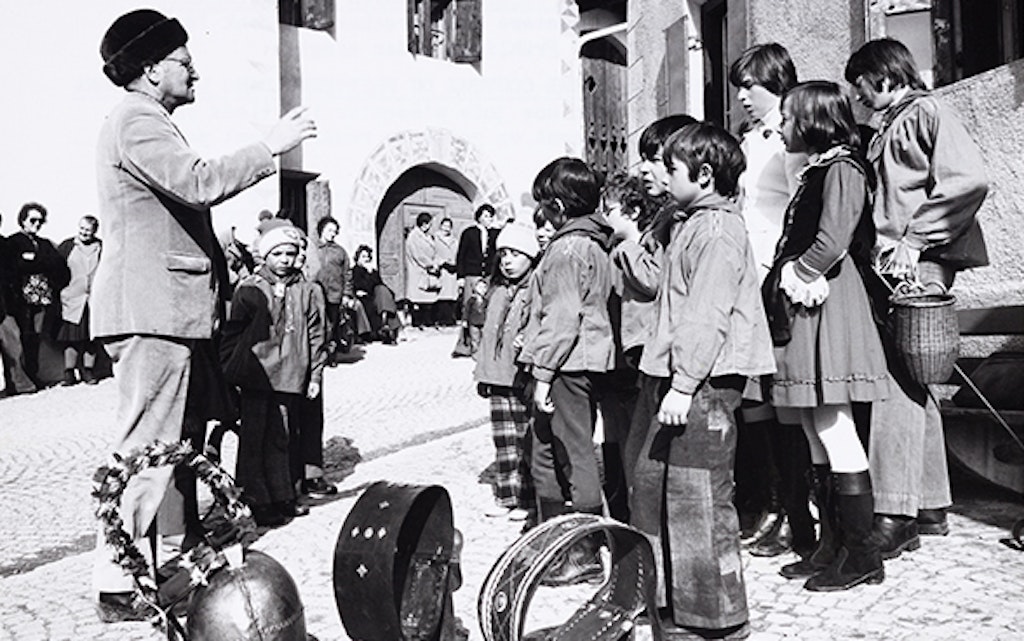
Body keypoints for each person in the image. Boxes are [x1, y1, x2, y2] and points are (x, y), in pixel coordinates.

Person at [91, 8, 316, 621]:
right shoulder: (138, 119)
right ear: (148, 69)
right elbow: (197, 182)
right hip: (152, 311)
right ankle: (118, 580)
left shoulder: (146, 120)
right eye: (184, 62)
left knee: (169, 446)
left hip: (167, 310)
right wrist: (269, 148)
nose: (195, 70)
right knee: (149, 443)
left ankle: (157, 562)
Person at [845, 37, 989, 556]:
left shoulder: (925, 111)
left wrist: (913, 239)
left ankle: (894, 511)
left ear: (882, 75)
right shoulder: (891, 122)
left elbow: (969, 180)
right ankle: (930, 503)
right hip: (897, 264)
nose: (858, 97)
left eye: (860, 85)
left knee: (896, 382)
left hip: (918, 262)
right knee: (914, 376)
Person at [629, 122, 774, 638]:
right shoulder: (691, 222)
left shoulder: (716, 232)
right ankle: (670, 606)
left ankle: (716, 622)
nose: (662, 178)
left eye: (671, 169)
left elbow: (706, 315)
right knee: (653, 489)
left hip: (704, 382)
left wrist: (685, 384)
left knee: (699, 501)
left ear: (705, 175)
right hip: (678, 377)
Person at [765, 81, 890, 591]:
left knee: (835, 422)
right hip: (811, 300)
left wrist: (803, 271)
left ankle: (862, 554)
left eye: (790, 117)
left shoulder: (842, 168)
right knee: (817, 423)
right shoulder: (819, 168)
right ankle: (832, 544)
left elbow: (834, 238)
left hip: (828, 299)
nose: (781, 126)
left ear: (814, 120)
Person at [728, 43, 814, 560]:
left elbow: (802, 211)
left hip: (778, 283)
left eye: (749, 86)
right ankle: (764, 502)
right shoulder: (751, 140)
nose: (740, 95)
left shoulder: (792, 141)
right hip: (747, 280)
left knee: (785, 400)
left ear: (776, 83)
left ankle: (795, 511)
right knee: (754, 398)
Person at [519, 157, 615, 586]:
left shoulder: (565, 249)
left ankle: (585, 555)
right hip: (579, 362)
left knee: (574, 456)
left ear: (557, 205)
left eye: (544, 204)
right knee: (547, 452)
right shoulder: (595, 243)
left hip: (565, 367)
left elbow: (561, 319)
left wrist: (542, 375)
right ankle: (555, 544)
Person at [219, 224, 327, 526]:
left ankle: (282, 494)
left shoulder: (306, 291)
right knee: (254, 438)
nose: (284, 259)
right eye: (277, 254)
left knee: (281, 438)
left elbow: (317, 335)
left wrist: (315, 375)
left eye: (291, 254)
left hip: (290, 375)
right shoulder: (251, 289)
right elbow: (232, 332)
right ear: (265, 256)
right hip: (256, 375)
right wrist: (230, 369)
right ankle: (255, 499)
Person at [614, 114, 695, 502]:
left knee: (650, 455)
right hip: (649, 350)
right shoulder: (664, 216)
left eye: (655, 159)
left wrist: (629, 243)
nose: (643, 168)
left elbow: (657, 280)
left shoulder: (677, 219)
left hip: (662, 350)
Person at [474, 223, 541, 524]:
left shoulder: (536, 288)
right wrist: (482, 374)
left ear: (530, 256)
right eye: (503, 255)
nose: (508, 261)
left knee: (526, 439)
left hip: (522, 377)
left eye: (516, 254)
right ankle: (506, 495)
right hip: (497, 378)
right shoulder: (497, 291)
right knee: (503, 441)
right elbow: (487, 336)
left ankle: (527, 498)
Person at [6, 202, 69, 385]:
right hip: (19, 300)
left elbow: (58, 267)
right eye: (33, 220)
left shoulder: (45, 244)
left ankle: (33, 374)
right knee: (22, 337)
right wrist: (37, 264)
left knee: (36, 336)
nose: (37, 224)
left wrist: (34, 262)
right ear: (23, 220)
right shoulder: (13, 242)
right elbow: (12, 268)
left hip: (42, 299)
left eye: (41, 221)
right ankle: (21, 379)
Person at [308, 217, 365, 360]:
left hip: (334, 294)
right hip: (316, 294)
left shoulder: (340, 252)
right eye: (329, 230)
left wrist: (346, 294)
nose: (332, 233)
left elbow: (347, 274)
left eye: (335, 231)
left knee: (331, 325)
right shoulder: (313, 249)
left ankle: (330, 353)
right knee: (317, 324)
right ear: (321, 230)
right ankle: (316, 354)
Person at [56, 215, 103, 386]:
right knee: (71, 337)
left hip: (94, 299)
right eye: (82, 228)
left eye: (88, 230)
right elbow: (56, 268)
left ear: (94, 231)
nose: (84, 232)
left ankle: (88, 370)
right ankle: (69, 372)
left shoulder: (101, 246)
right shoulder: (67, 246)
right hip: (72, 298)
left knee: (91, 337)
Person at [0, 213, 37, 396]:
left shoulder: (6, 246)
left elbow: (15, 272)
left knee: (13, 346)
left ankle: (19, 385)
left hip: (6, 305)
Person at [455, 204, 498, 334]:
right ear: (479, 217)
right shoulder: (469, 232)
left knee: (486, 305)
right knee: (470, 305)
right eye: (486, 216)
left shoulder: (494, 233)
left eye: (490, 216)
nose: (489, 218)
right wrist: (460, 276)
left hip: (488, 275)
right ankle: (467, 339)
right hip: (472, 274)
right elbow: (461, 255)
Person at [352, 245, 401, 344]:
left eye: (367, 257)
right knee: (380, 294)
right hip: (363, 297)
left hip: (374, 297)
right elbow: (362, 286)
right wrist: (369, 274)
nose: (366, 259)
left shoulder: (372, 271)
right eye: (363, 256)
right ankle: (386, 326)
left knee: (383, 291)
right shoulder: (355, 270)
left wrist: (371, 273)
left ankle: (386, 325)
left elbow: (379, 284)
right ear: (357, 258)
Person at [404, 212, 440, 327]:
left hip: (427, 271)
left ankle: (427, 320)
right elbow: (419, 255)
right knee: (418, 298)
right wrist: (431, 264)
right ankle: (417, 321)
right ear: (424, 224)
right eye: (429, 224)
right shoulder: (414, 237)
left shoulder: (427, 236)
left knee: (427, 297)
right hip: (419, 270)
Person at [433, 217, 459, 326]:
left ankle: (450, 318)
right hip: (442, 270)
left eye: (448, 226)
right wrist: (440, 262)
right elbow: (432, 253)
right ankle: (441, 319)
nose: (446, 228)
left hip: (452, 270)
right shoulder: (435, 238)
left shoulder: (454, 240)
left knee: (452, 295)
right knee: (442, 295)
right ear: (440, 226)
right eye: (444, 226)